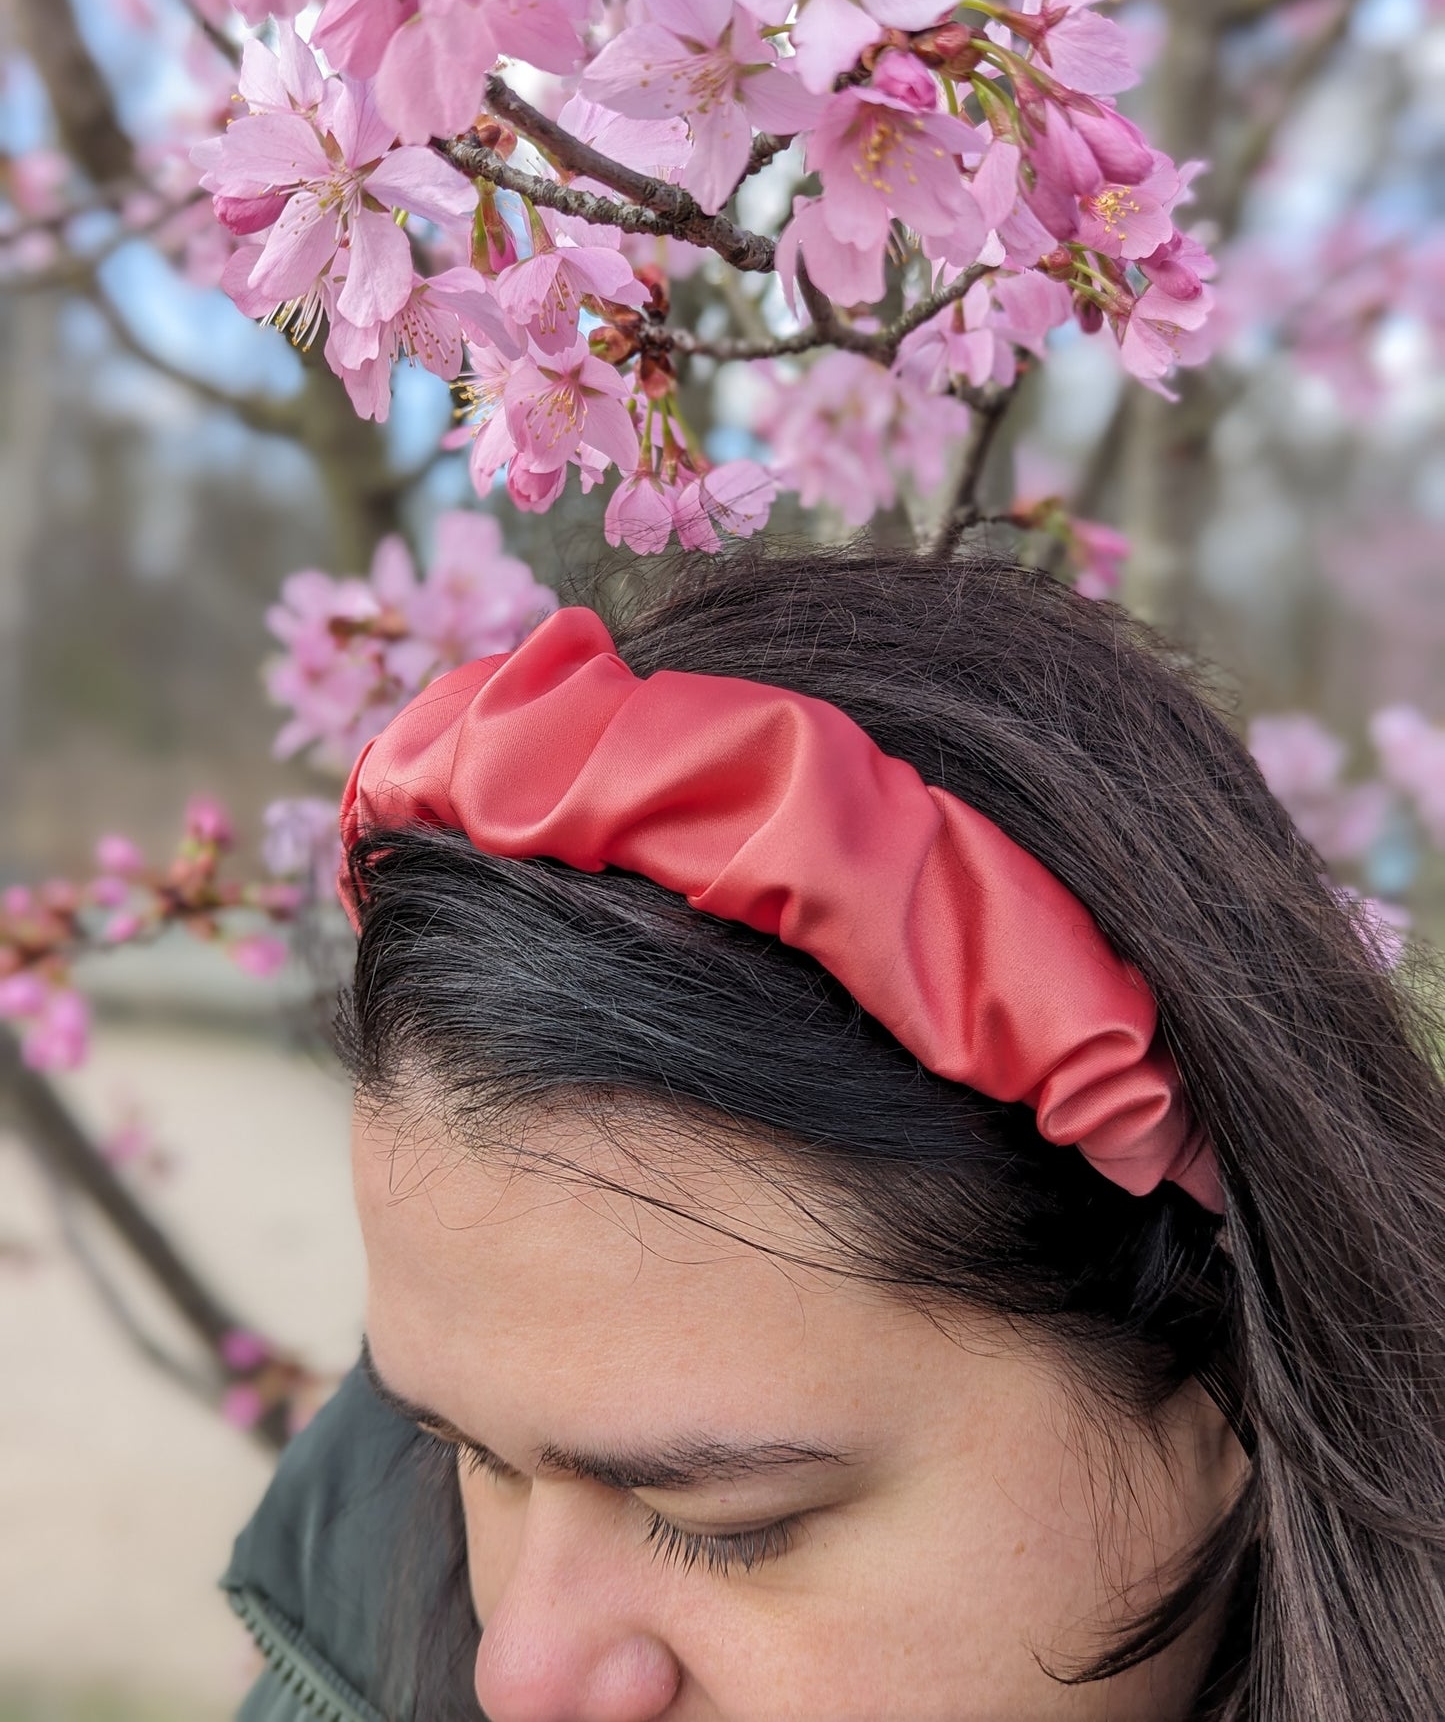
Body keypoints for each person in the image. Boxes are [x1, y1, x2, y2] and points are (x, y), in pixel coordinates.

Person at [223, 549, 1445, 1722]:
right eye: (467, 1453)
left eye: (726, 1525)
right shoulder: (356, 1638)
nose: (517, 1673)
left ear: (1226, 1379)